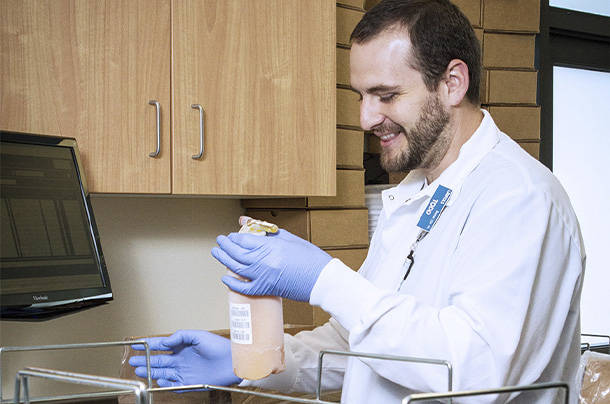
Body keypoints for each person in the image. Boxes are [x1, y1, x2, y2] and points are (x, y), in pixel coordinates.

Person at [129, 0, 586, 402]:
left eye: (386, 95)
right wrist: (255, 359)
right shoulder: (417, 193)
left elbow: (475, 373)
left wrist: (325, 280)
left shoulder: (520, 199)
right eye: (362, 97)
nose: (367, 118)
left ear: (452, 82)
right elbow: (361, 343)